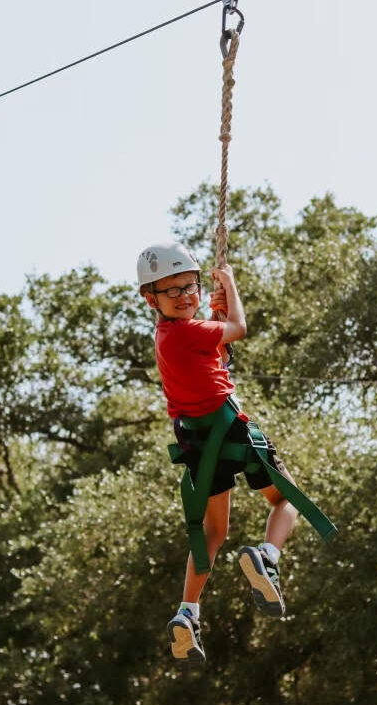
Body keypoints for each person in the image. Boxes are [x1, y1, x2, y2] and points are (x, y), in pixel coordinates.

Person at [137, 241, 303, 665]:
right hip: (229, 429)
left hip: (196, 443)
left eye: (188, 286)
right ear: (150, 298)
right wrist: (229, 285)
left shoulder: (169, 335)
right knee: (286, 500)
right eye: (171, 291)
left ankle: (188, 612)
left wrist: (214, 310)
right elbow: (238, 329)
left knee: (213, 533)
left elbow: (213, 348)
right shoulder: (190, 332)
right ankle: (268, 556)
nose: (183, 296)